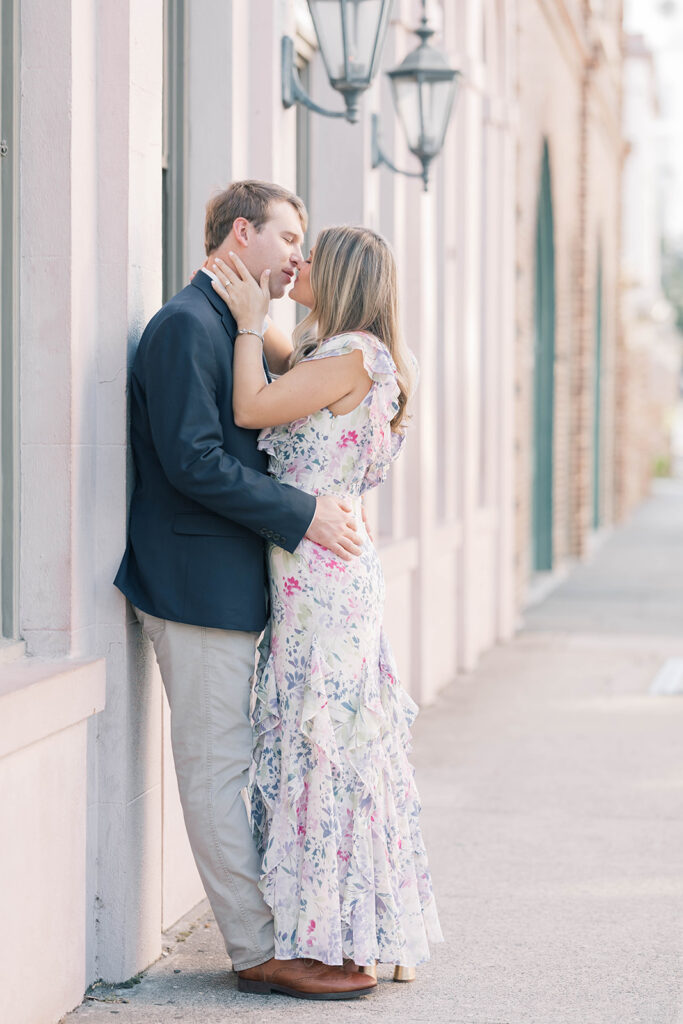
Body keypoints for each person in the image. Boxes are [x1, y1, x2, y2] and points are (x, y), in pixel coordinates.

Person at [114, 181, 377, 1001]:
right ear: (241, 234)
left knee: (236, 765)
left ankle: (281, 934)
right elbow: (195, 462)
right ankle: (257, 951)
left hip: (234, 584)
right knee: (215, 768)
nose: (299, 255)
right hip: (193, 584)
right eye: (288, 236)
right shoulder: (184, 326)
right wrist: (303, 515)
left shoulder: (228, 326)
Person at [209, 224, 443, 987]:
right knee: (343, 742)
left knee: (325, 743)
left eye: (310, 257)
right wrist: (263, 322)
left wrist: (247, 322)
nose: (295, 264)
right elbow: (287, 368)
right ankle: (371, 923)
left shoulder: (346, 358)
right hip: (325, 567)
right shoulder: (351, 355)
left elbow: (250, 408)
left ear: (339, 277)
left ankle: (333, 934)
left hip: (321, 576)